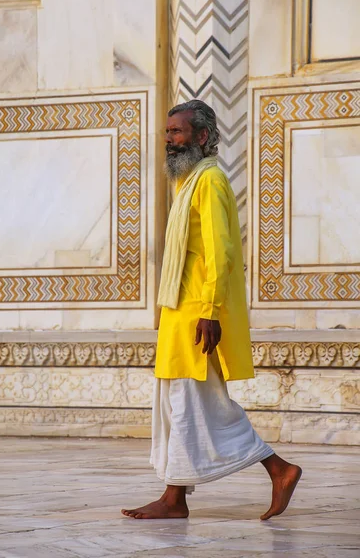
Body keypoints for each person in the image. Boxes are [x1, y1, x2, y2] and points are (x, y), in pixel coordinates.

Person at [121, 100, 302, 521]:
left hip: (197, 316)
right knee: (179, 404)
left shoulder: (211, 181)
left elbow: (221, 255)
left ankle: (279, 469)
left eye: (177, 132)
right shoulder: (188, 183)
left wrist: (210, 311)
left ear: (202, 136)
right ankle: (175, 497)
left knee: (200, 405)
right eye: (167, 133)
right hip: (179, 314)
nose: (169, 140)